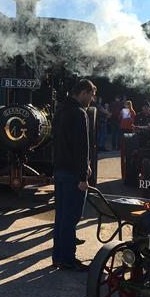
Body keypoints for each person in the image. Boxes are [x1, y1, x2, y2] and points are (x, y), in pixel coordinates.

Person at [52, 78, 96, 271]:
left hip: (60, 170)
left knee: (61, 216)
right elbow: (82, 147)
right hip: (73, 174)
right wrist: (83, 177)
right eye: (91, 95)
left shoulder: (59, 110)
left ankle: (58, 257)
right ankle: (68, 259)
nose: (92, 100)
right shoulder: (79, 113)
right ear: (84, 92)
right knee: (71, 218)